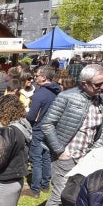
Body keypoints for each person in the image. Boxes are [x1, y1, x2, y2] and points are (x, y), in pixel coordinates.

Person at [39, 64, 103, 206]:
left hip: (87, 159)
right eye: (98, 84)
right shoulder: (66, 97)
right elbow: (47, 124)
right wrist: (60, 150)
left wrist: (96, 150)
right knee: (60, 193)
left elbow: (101, 130)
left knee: (80, 194)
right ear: (84, 83)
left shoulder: (100, 100)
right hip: (66, 157)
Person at [23, 65, 61, 198]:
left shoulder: (40, 94)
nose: (35, 77)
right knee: (46, 157)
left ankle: (35, 189)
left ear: (44, 77)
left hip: (39, 129)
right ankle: (45, 185)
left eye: (37, 75)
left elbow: (31, 116)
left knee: (36, 159)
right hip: (52, 129)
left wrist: (26, 113)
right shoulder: (58, 91)